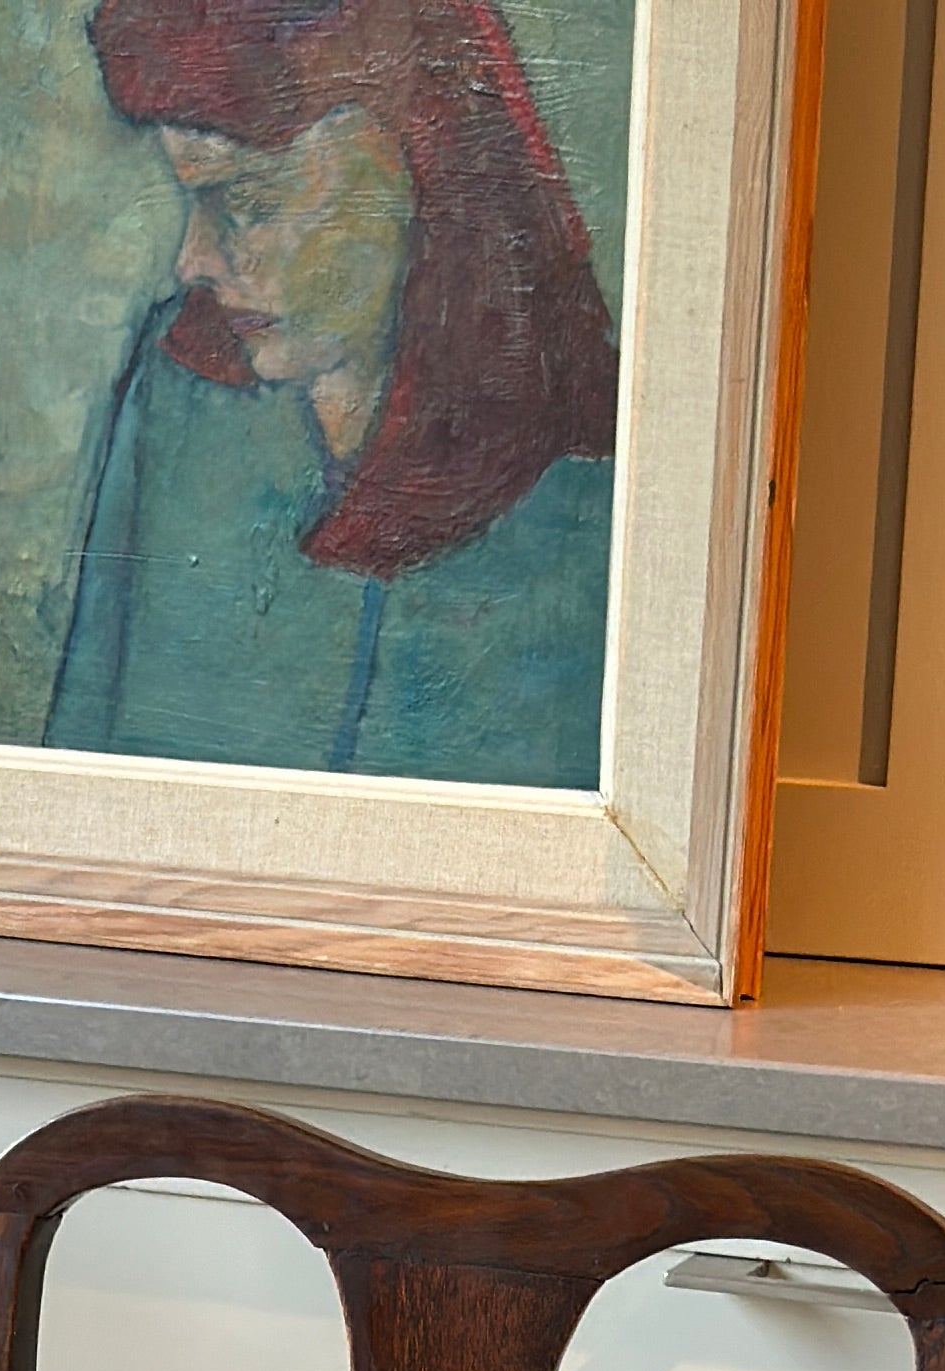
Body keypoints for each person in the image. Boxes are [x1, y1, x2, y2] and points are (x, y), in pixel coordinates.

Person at [49, 0, 620, 788]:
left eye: (244, 204)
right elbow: (77, 753)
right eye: (191, 205)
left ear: (418, 170)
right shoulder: (175, 391)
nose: (192, 261)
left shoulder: (588, 484)